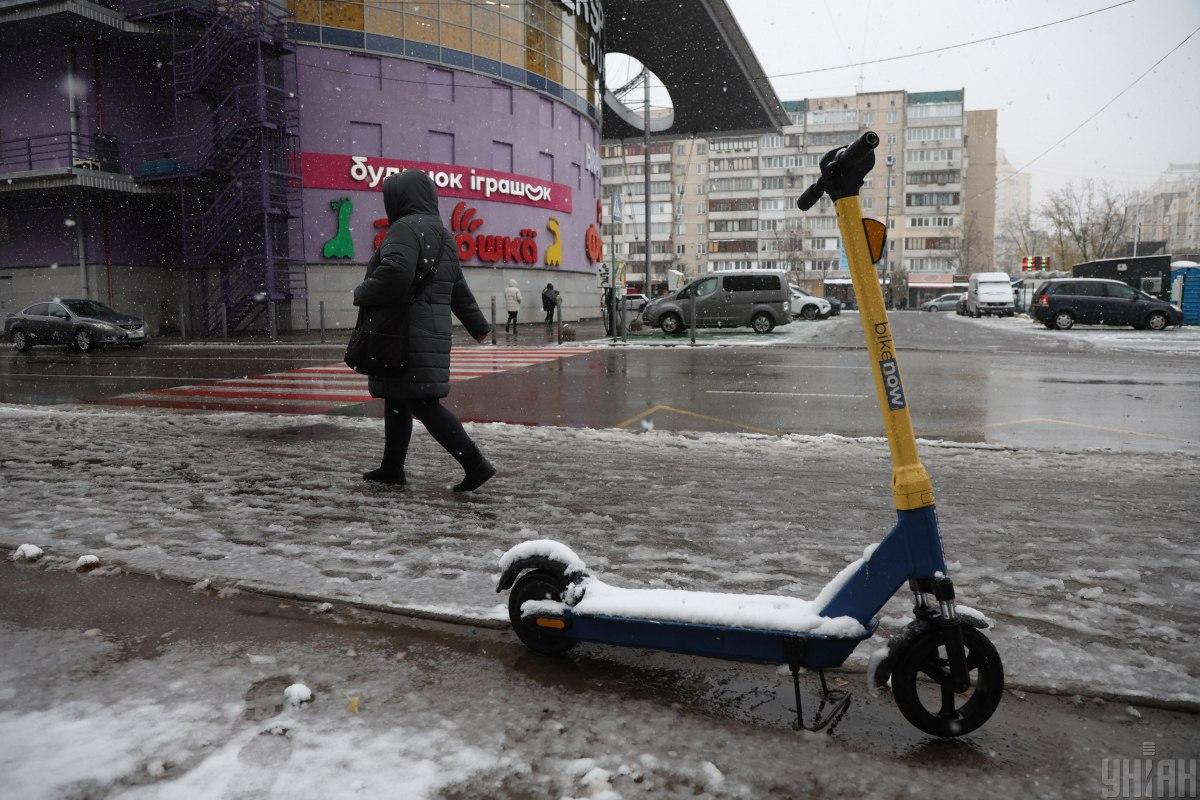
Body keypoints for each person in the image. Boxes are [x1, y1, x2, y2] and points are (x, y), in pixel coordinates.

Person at [353, 170, 495, 492]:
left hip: (405, 335)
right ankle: (392, 469)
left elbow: (396, 274)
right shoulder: (442, 234)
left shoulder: (404, 228)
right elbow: (458, 287)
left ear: (401, 198)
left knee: (423, 405)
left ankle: (475, 464)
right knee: (398, 400)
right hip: (427, 334)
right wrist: (478, 325)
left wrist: (363, 292)